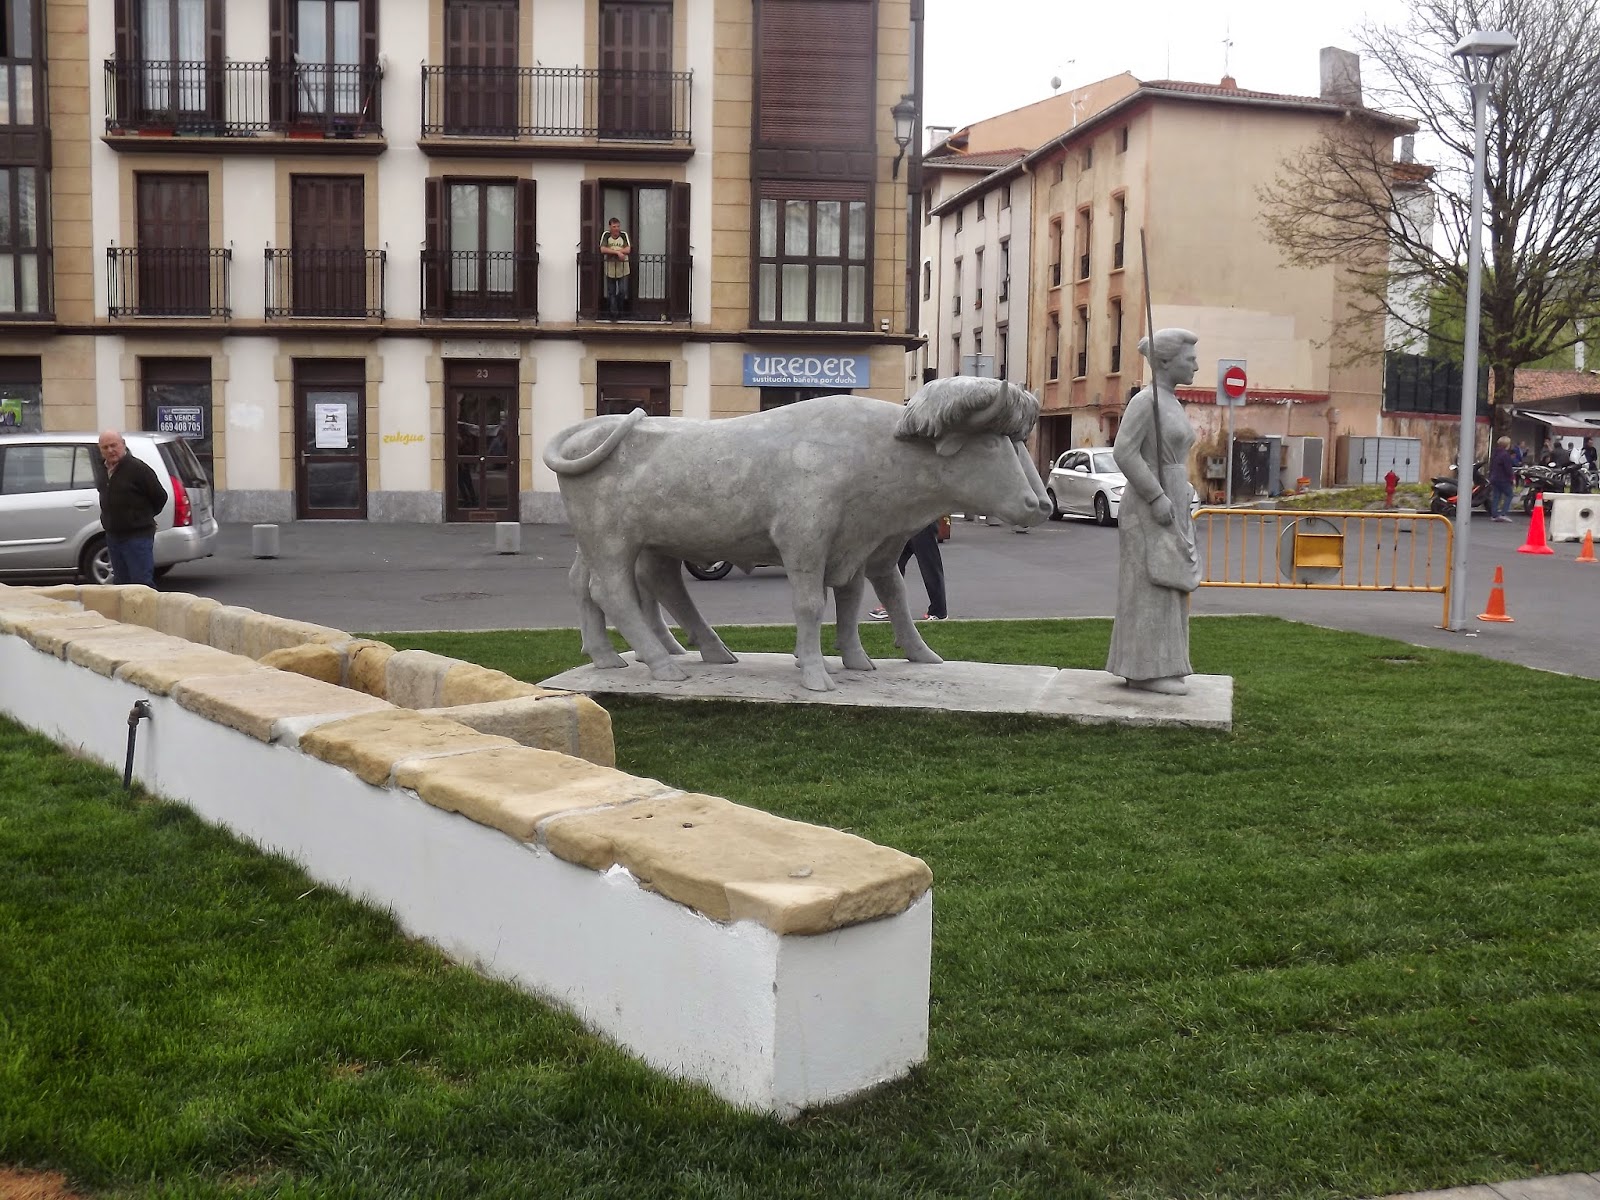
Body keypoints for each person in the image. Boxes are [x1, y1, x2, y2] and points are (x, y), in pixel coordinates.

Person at [1105, 328, 1201, 695]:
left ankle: (1160, 665)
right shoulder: (1146, 402)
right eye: (1190, 359)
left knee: (1169, 585)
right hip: (1149, 504)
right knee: (1149, 586)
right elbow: (1124, 452)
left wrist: (1181, 489)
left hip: (1173, 495)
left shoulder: (1171, 401)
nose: (1196, 366)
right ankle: (1145, 670)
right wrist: (1156, 495)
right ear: (1165, 360)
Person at [96, 429, 167, 587]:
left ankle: (148, 605)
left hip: (137, 537)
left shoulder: (138, 469)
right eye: (105, 447)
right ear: (100, 450)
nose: (110, 450)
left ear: (123, 444)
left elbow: (160, 497)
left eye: (113, 445)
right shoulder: (102, 470)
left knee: (141, 584)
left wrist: (141, 517)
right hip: (113, 536)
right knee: (121, 585)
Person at [867, 522, 947, 621]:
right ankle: (891, 606)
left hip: (922, 522)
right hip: (905, 522)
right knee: (893, 564)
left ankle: (939, 612)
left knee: (929, 566)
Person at [599, 217, 631, 318]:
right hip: (610, 269)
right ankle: (614, 313)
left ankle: (620, 309)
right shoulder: (606, 235)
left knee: (622, 291)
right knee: (611, 292)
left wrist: (613, 251)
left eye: (618, 226)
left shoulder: (623, 235)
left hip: (623, 269)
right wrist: (617, 253)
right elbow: (603, 249)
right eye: (614, 227)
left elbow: (628, 249)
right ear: (610, 227)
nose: (616, 229)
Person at [1488, 434, 1516, 521]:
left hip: (1494, 478)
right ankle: (1503, 513)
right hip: (1503, 478)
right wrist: (1512, 478)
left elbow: (1491, 466)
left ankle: (1494, 514)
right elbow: (1508, 468)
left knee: (1496, 496)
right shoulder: (1505, 455)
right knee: (1509, 494)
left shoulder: (1495, 453)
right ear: (1507, 444)